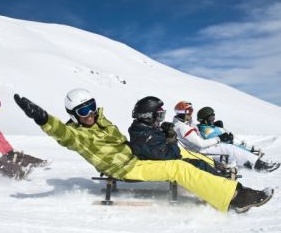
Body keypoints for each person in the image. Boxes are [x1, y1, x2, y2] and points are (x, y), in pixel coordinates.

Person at [14, 88, 273, 213]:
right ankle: (234, 199)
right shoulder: (77, 135)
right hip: (124, 168)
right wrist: (43, 119)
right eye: (83, 110)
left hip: (133, 159)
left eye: (91, 106)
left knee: (183, 156)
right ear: (73, 114)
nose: (90, 113)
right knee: (178, 167)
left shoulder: (101, 120)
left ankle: (223, 182)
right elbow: (62, 133)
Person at [128, 96, 230, 178]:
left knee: (198, 161)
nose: (160, 120)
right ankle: (222, 183)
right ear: (148, 116)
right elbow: (172, 156)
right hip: (164, 166)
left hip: (164, 162)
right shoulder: (145, 135)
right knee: (199, 165)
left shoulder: (144, 130)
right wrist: (171, 140)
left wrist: (164, 132)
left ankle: (218, 174)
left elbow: (157, 147)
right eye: (159, 116)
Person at [172, 101, 280, 173]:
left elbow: (196, 128)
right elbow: (200, 143)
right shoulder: (182, 127)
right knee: (229, 148)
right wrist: (219, 139)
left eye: (191, 111)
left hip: (202, 148)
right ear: (182, 113)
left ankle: (250, 162)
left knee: (230, 147)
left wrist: (213, 125)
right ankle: (261, 166)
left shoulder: (185, 122)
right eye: (189, 112)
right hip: (200, 150)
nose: (191, 114)